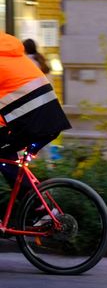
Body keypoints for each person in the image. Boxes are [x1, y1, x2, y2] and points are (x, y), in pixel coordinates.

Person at [0, 33, 71, 192]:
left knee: (4, 158)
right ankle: (35, 201)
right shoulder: (10, 55)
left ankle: (37, 207)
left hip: (34, 124)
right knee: (8, 158)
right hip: (50, 121)